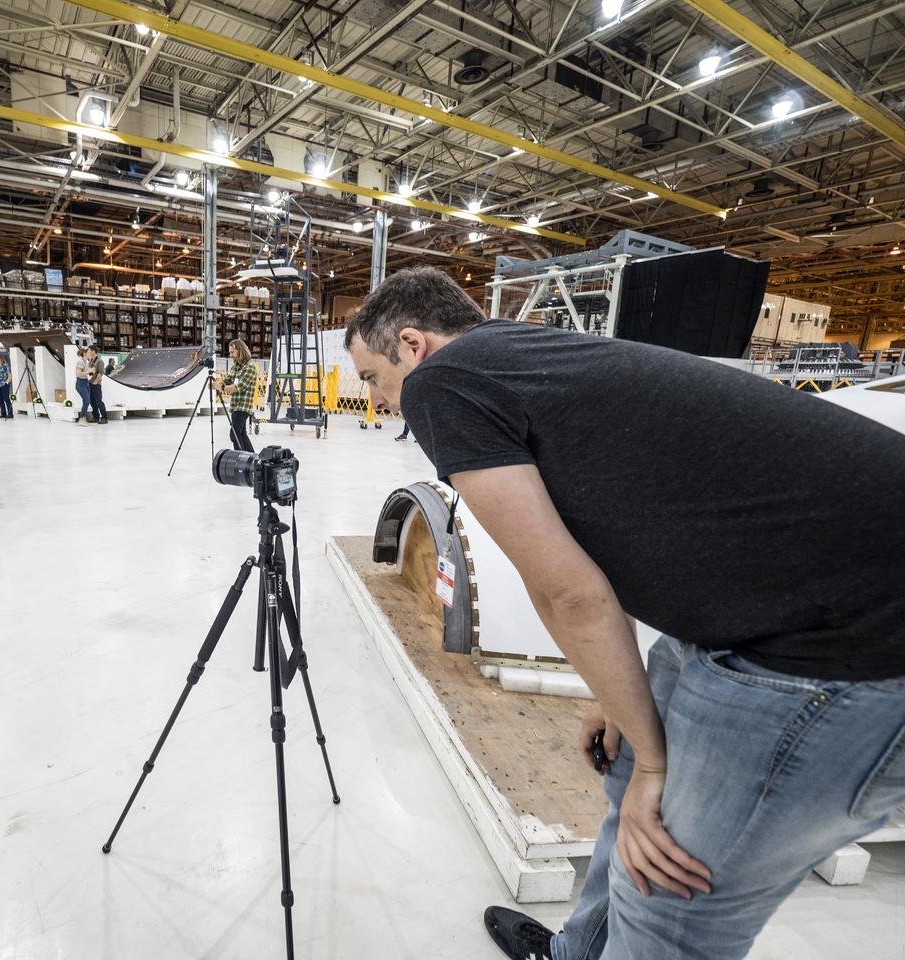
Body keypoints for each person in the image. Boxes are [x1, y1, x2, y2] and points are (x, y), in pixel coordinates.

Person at [345, 266, 905, 960]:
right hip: (776, 607)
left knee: (668, 900)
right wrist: (618, 696)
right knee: (627, 778)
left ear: (412, 344)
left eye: (372, 377)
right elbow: (644, 526)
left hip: (841, 646)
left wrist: (657, 771)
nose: (377, 398)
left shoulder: (443, 382)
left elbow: (568, 592)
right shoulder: (529, 354)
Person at [217, 338, 258, 452]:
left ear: (240, 351)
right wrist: (217, 384)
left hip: (243, 407)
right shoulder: (235, 367)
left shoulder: (249, 368)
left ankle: (241, 459)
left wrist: (221, 388)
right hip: (235, 406)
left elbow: (239, 387)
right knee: (241, 434)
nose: (230, 355)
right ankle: (252, 459)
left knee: (234, 434)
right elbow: (228, 380)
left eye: (232, 352)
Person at [87, 346, 108, 424]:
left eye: (89, 350)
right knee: (92, 401)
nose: (88, 352)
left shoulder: (100, 361)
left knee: (98, 401)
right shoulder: (91, 361)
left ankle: (104, 418)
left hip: (96, 384)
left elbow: (100, 373)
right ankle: (96, 417)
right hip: (90, 383)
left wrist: (95, 382)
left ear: (93, 351)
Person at [74, 348, 92, 424]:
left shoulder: (86, 361)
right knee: (86, 400)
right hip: (81, 383)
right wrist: (89, 371)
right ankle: (81, 419)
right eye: (89, 352)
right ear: (84, 353)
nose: (90, 354)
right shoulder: (80, 361)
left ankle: (83, 418)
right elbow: (78, 374)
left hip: (85, 382)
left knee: (87, 401)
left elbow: (86, 372)